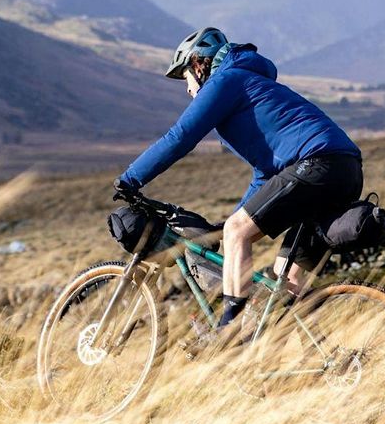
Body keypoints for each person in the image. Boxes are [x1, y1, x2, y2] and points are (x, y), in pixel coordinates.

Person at [113, 27, 363, 334]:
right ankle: (326, 361)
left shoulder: (226, 81)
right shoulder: (249, 84)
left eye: (185, 77)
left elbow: (180, 138)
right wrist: (232, 220)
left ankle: (227, 331)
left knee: (237, 233)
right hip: (345, 169)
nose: (188, 89)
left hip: (317, 165)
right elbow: (266, 172)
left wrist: (130, 179)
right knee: (286, 284)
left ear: (198, 66)